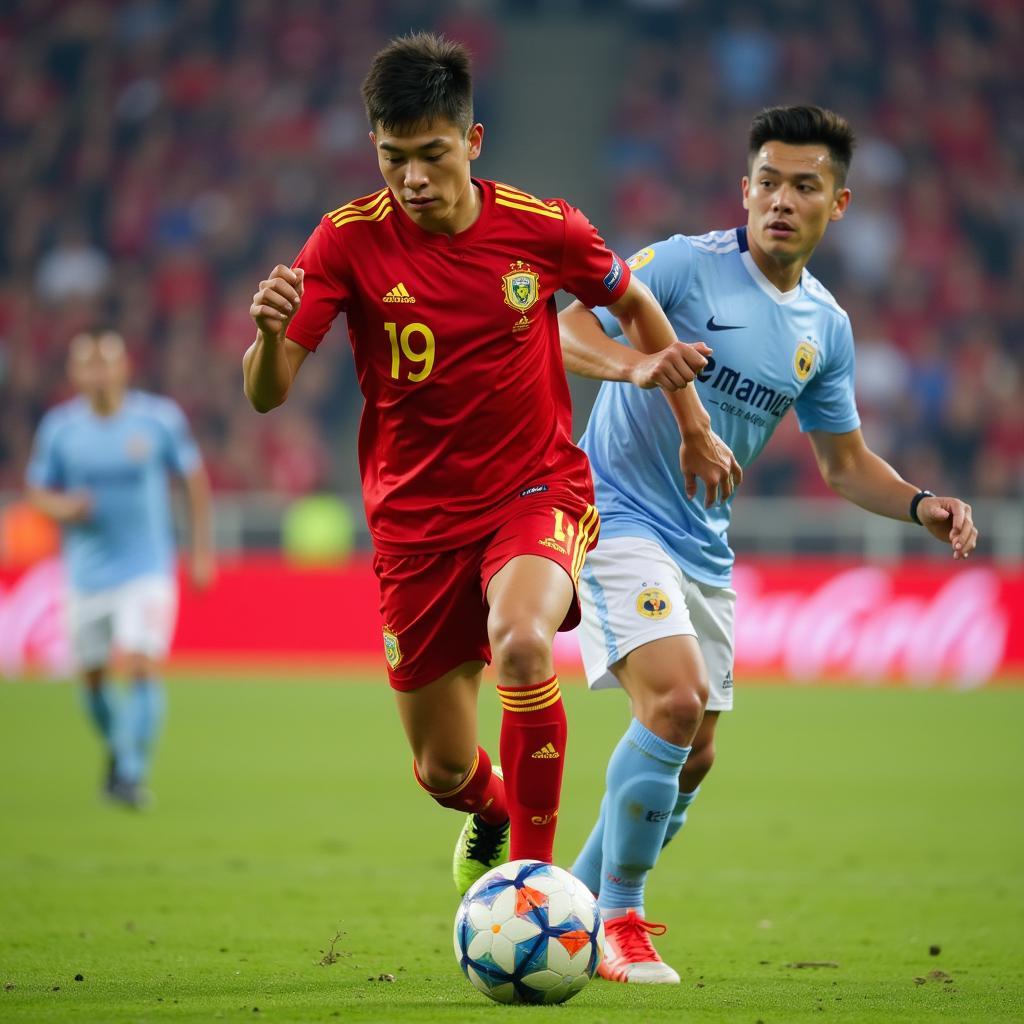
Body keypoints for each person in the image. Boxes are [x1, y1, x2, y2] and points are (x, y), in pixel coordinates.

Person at [242, 32, 739, 894]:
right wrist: (265, 336)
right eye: (395, 158)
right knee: (440, 768)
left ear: (471, 142)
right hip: (413, 526)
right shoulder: (346, 242)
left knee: (520, 642)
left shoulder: (545, 229)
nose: (414, 179)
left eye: (432, 154)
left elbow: (633, 302)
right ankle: (494, 810)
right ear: (376, 148)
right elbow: (267, 394)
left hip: (533, 488)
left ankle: (532, 890)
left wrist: (689, 420)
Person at [558, 105, 978, 983]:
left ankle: (566, 911)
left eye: (805, 186)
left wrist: (920, 504)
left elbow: (844, 461)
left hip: (704, 547)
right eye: (769, 183)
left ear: (840, 204)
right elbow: (566, 328)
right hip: (615, 511)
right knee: (673, 705)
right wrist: (638, 364)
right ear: (744, 190)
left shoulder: (824, 328)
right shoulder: (680, 265)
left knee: (694, 752)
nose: (782, 200)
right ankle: (620, 922)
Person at [26, 330, 214, 807]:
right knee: (91, 683)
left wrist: (200, 550)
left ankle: (130, 773)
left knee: (138, 664)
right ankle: (117, 748)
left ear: (124, 367)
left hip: (147, 569)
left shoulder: (156, 421)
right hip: (86, 577)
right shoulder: (61, 429)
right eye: (88, 365)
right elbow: (37, 492)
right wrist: (64, 508)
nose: (98, 373)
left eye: (106, 363)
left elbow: (193, 481)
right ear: (74, 374)